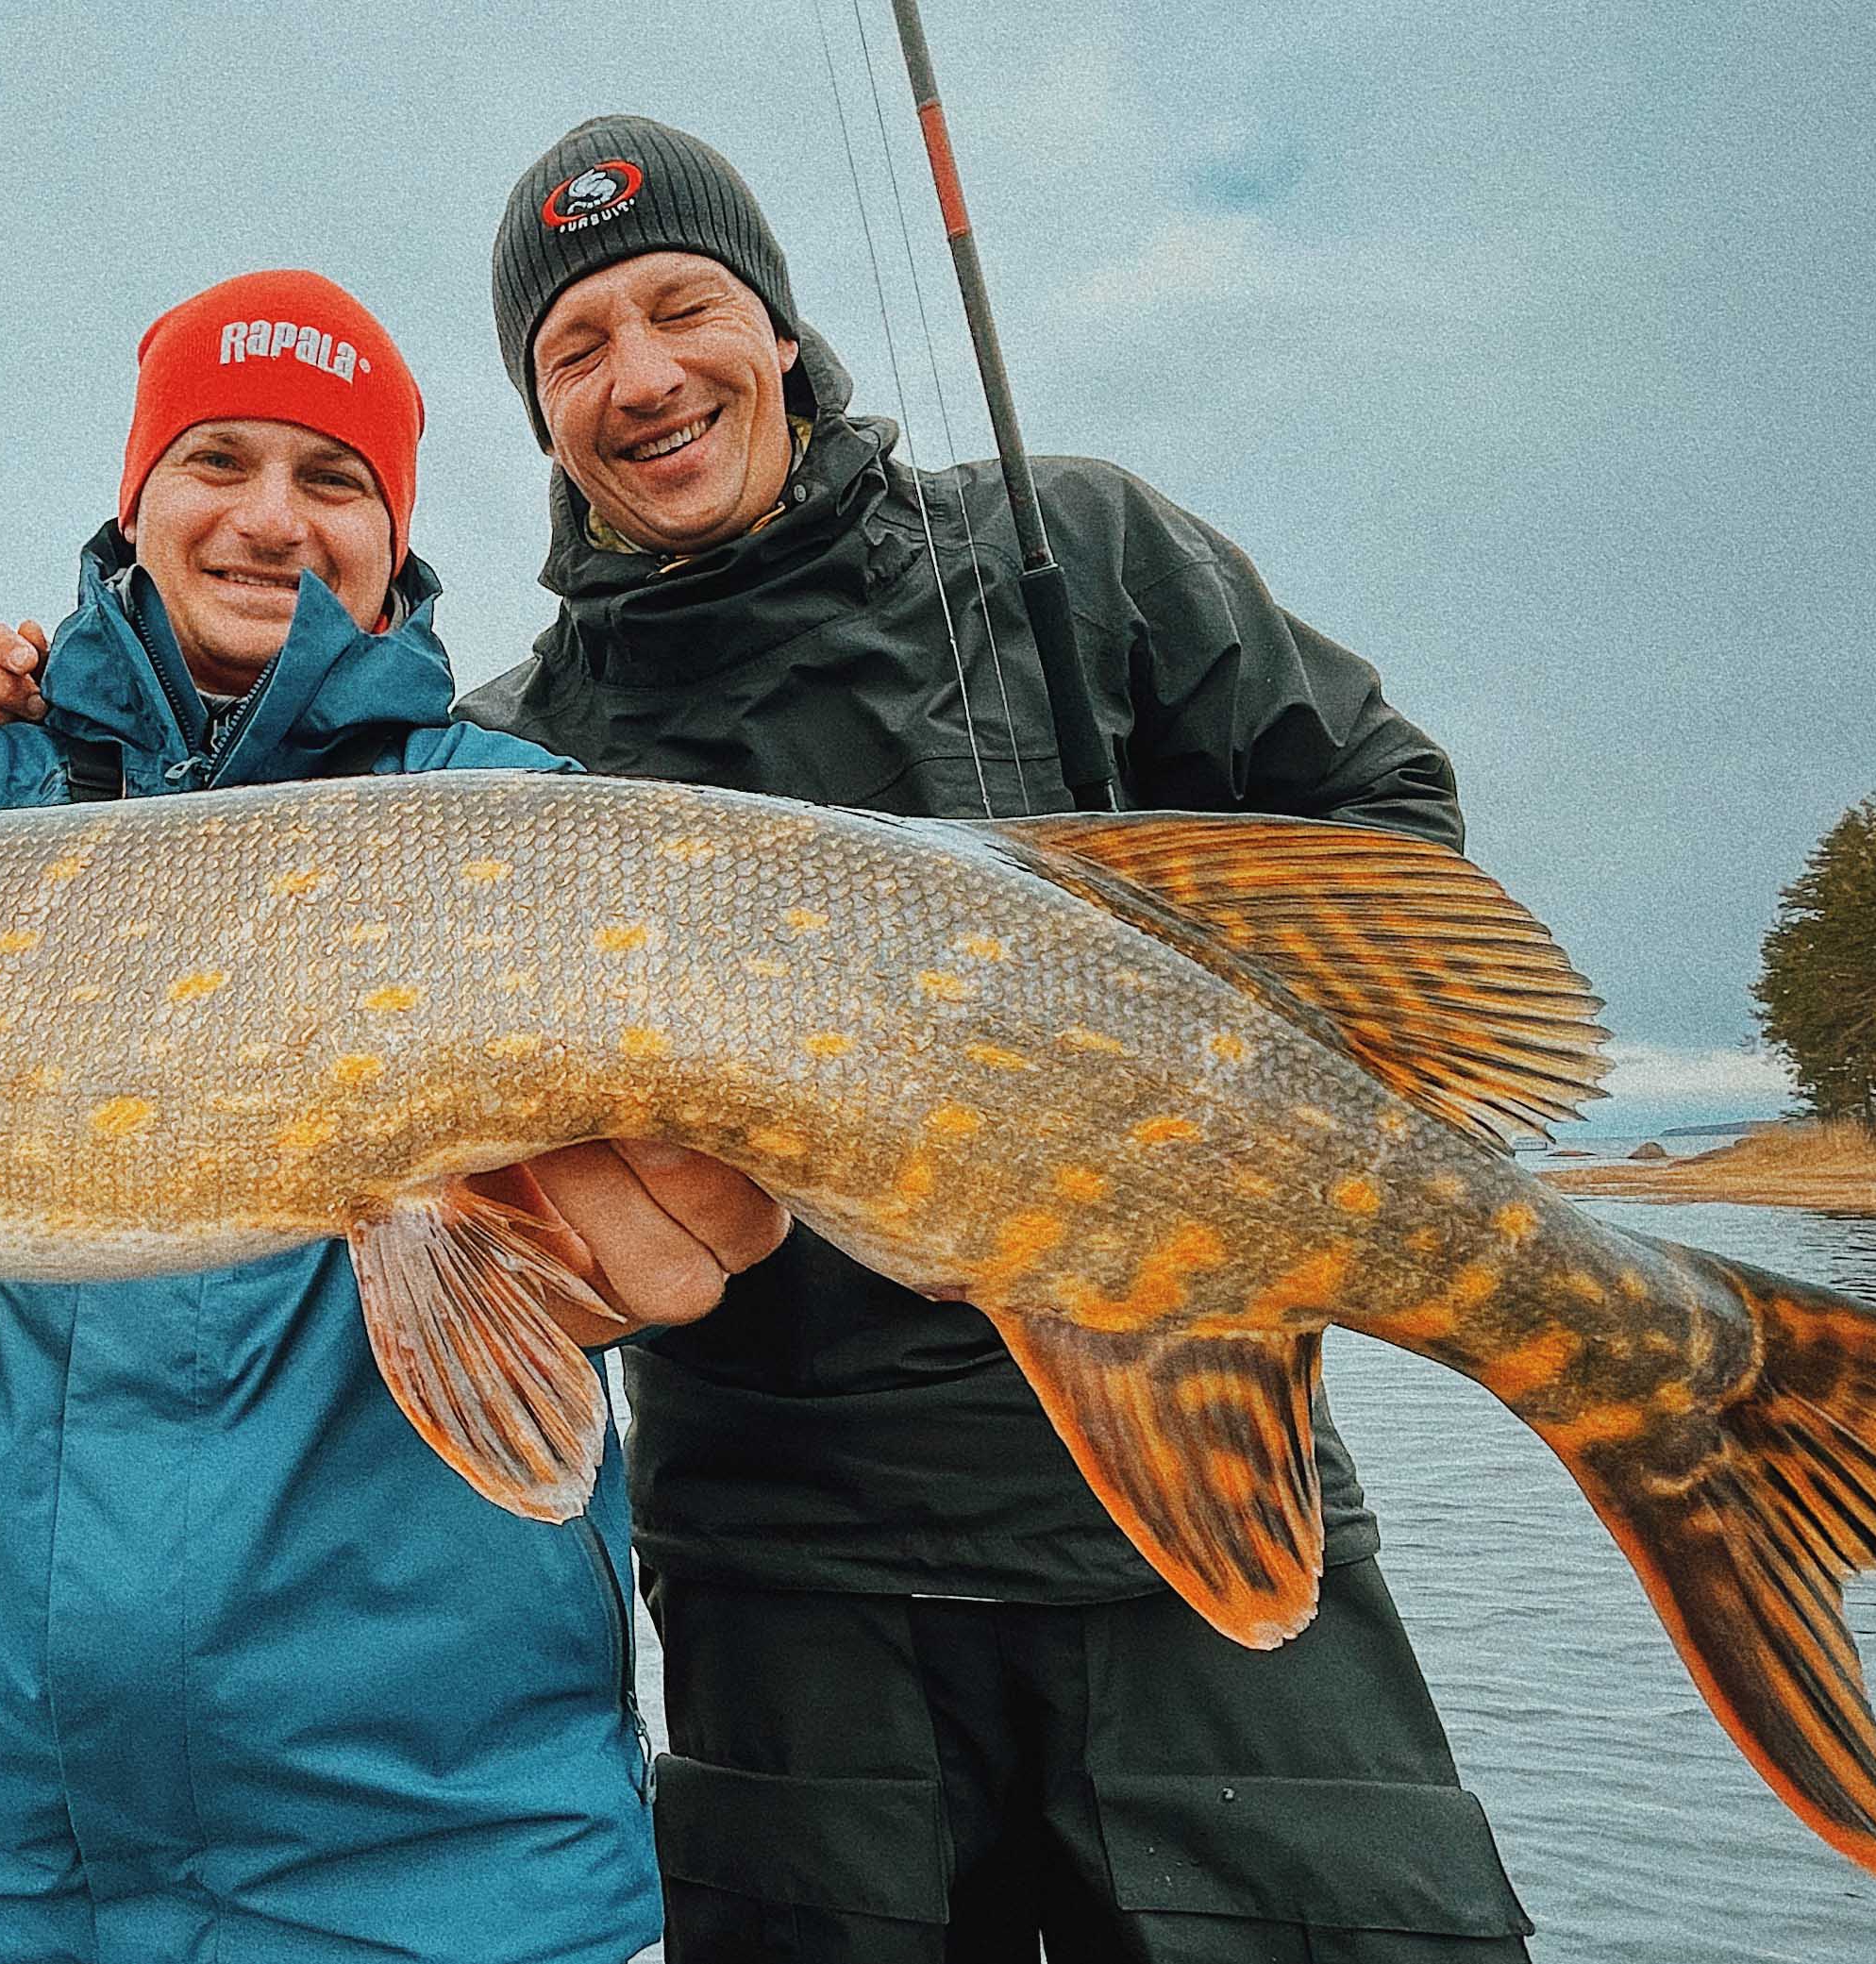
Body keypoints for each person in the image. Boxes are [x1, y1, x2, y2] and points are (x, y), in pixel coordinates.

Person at [461, 114, 1538, 1962]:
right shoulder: (516, 756)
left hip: (1192, 1535)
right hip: (793, 1603)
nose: (639, 373)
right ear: (543, 413)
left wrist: (1155, 1077)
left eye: (680, 307)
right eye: (575, 349)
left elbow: (1379, 831)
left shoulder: (1079, 552)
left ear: (776, 332)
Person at [0, 267, 787, 1964]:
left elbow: (623, 1247)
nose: (270, 517)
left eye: (331, 480)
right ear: (135, 501)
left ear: (393, 536)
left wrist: (613, 1255)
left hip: (437, 1867)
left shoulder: (513, 814)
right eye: (217, 460)